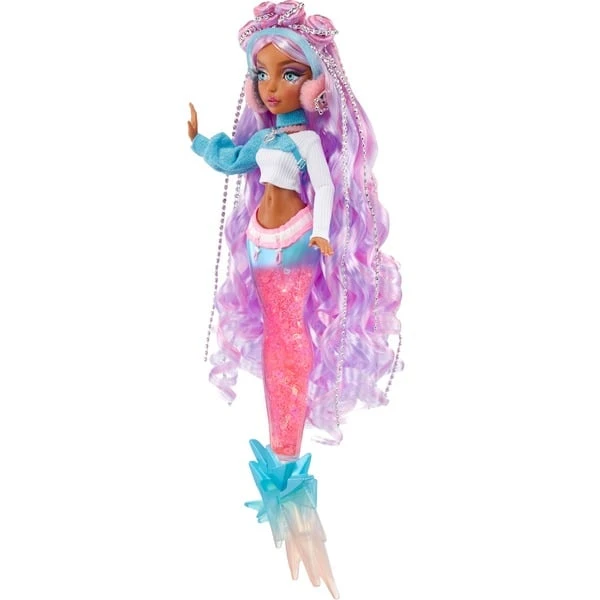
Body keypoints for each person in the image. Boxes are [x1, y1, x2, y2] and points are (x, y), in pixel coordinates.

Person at [188, 2, 402, 595]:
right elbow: (230, 159)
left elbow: (326, 187)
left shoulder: (306, 140)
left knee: (289, 337)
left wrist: (324, 232)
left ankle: (286, 457)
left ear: (314, 84)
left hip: (297, 238)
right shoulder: (264, 139)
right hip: (261, 239)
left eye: (288, 74)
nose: (272, 87)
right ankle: (284, 460)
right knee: (279, 338)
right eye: (261, 74)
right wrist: (197, 140)